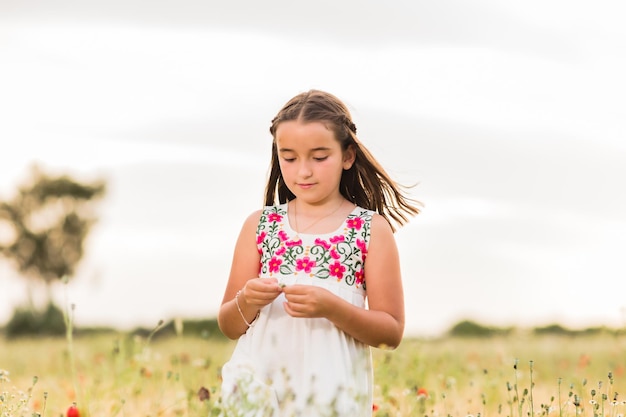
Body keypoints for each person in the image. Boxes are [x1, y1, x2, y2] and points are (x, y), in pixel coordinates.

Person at [217, 90, 420, 416]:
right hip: (259, 385)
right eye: (290, 157)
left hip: (332, 392)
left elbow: (391, 332)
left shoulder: (369, 230)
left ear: (347, 156)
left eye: (319, 156)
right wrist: (246, 300)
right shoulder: (261, 225)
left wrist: (332, 307)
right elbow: (229, 325)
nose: (303, 171)